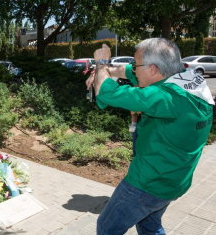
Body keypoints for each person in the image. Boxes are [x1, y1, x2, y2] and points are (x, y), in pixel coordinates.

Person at [87, 38, 214, 234]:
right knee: (149, 226)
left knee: (106, 228)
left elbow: (105, 92)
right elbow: (130, 72)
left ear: (153, 69)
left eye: (136, 65)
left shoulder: (164, 97)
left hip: (147, 185)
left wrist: (101, 64)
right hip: (174, 182)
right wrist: (107, 72)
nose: (133, 70)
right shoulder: (189, 81)